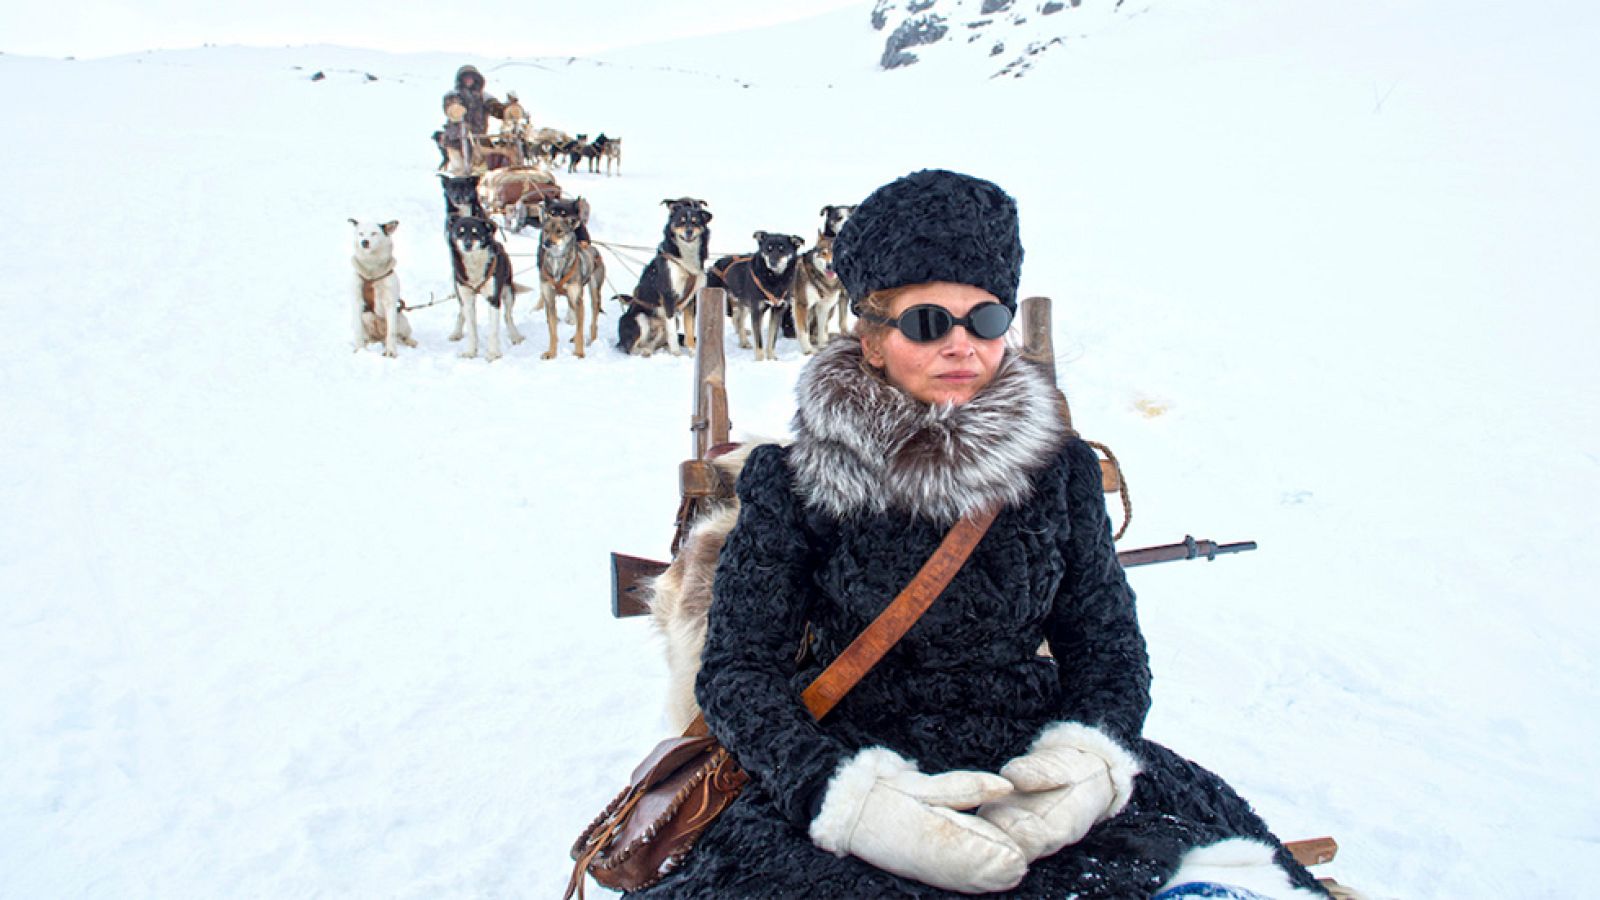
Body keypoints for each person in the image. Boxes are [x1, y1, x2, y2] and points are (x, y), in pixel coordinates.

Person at [629, 170, 1327, 898]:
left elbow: (1106, 644)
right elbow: (738, 672)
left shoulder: (1057, 472)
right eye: (929, 322)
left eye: (986, 320)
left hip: (1026, 764)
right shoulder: (795, 479)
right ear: (871, 338)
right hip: (853, 764)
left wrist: (1088, 761)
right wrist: (846, 800)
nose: (962, 344)